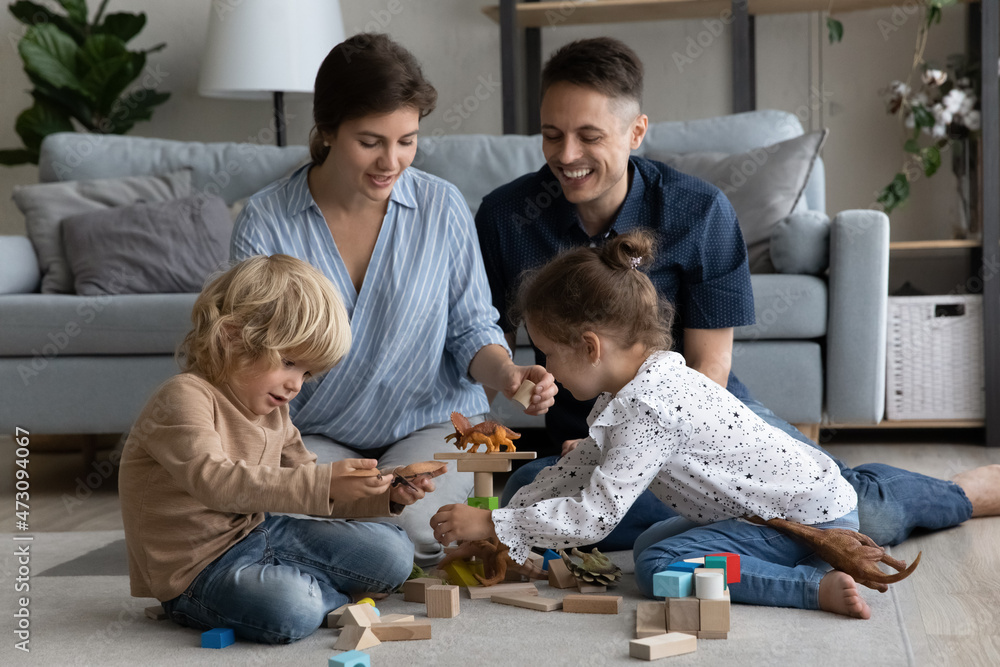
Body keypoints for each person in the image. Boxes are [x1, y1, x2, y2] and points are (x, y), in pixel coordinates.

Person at [477, 37, 1000, 550]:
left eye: (589, 136)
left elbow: (710, 369)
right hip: (585, 437)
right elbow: (483, 333)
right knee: (527, 496)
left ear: (636, 132)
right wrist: (522, 386)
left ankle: (958, 493)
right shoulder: (507, 216)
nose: (567, 156)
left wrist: (625, 451)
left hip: (698, 427)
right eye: (551, 135)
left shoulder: (697, 210)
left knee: (847, 519)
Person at [230, 34, 556, 567]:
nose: (391, 161)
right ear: (328, 130)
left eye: (407, 140)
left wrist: (509, 375)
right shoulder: (266, 220)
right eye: (370, 141)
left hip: (432, 424)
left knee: (422, 528)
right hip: (312, 433)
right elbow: (250, 358)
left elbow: (471, 328)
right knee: (323, 523)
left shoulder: (442, 206)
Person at [433, 231, 877, 618]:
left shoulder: (648, 409)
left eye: (547, 352)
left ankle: (809, 585)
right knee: (648, 544)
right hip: (776, 511)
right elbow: (576, 471)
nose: (545, 367)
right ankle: (799, 563)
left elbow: (595, 515)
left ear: (590, 347)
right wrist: (507, 524)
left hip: (803, 522)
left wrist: (494, 525)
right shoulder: (637, 386)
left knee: (658, 566)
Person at [119, 254, 439, 644]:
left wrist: (385, 493)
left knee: (394, 551)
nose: (295, 384)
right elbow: (215, 482)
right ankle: (321, 593)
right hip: (196, 571)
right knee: (289, 606)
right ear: (232, 335)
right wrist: (323, 484)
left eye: (306, 372)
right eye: (288, 362)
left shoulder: (275, 409)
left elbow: (311, 489)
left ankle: (313, 587)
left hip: (265, 533)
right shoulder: (183, 397)